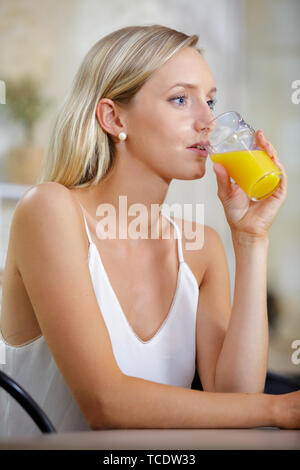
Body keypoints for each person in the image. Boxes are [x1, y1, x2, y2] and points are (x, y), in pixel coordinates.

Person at [0, 24, 299, 437]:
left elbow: (234, 396)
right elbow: (107, 405)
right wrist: (281, 410)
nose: (208, 122)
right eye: (181, 99)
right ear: (113, 116)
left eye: (210, 101)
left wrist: (251, 240)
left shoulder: (202, 248)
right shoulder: (49, 210)